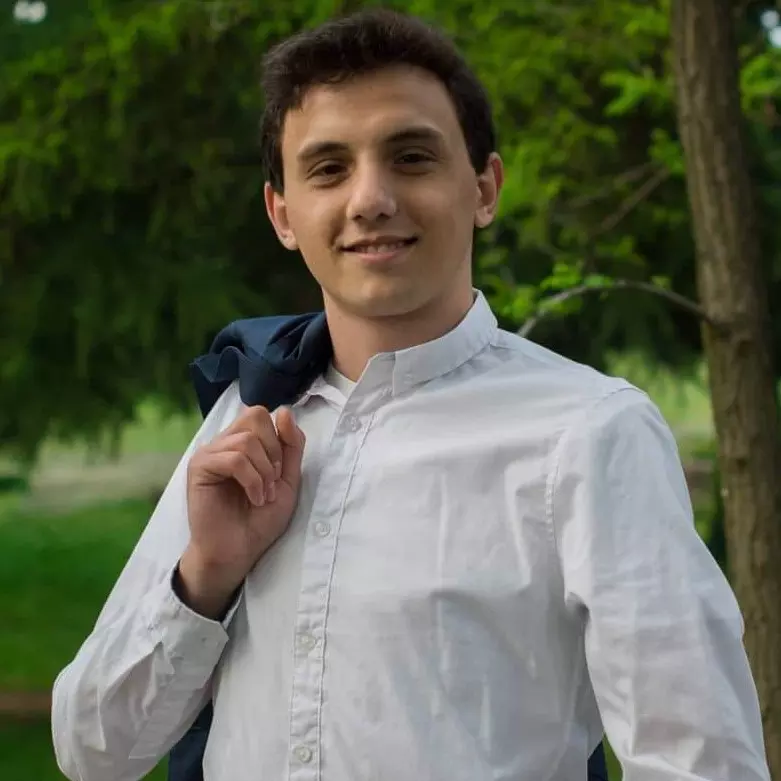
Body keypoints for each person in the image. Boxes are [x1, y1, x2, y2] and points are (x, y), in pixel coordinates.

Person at [51, 8, 770, 781]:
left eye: (411, 157)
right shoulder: (250, 416)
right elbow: (94, 751)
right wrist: (205, 575)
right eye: (328, 168)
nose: (369, 199)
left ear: (483, 187)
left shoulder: (590, 433)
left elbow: (701, 763)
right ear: (283, 213)